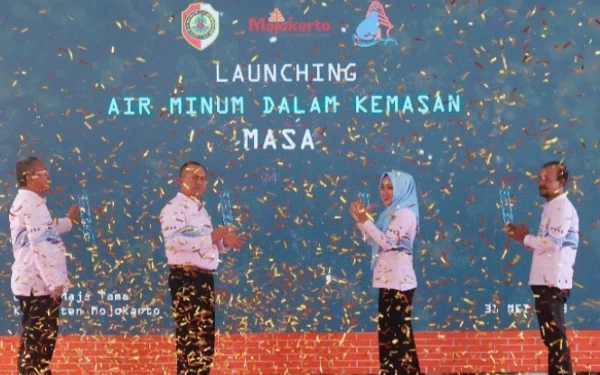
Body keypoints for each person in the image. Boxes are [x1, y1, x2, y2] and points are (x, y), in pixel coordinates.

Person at [159, 161, 246, 375]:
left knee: (204, 342)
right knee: (191, 340)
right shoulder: (173, 209)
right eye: (193, 177)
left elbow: (205, 246)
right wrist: (210, 237)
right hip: (186, 279)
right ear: (180, 181)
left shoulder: (201, 210)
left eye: (202, 178)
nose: (198, 182)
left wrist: (224, 243)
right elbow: (173, 242)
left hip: (204, 279)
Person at [505, 161, 579, 375]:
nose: (542, 182)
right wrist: (528, 238)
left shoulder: (562, 208)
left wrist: (525, 238)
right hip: (545, 281)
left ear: (561, 182)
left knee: (555, 338)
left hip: (553, 282)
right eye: (540, 178)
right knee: (551, 338)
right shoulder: (551, 207)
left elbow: (553, 243)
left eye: (548, 178)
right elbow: (547, 244)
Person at [9, 156, 80, 375]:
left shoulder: (31, 202)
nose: (48, 175)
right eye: (43, 172)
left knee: (39, 342)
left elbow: (45, 230)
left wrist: (68, 221)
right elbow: (40, 247)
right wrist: (54, 283)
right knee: (38, 345)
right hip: (39, 287)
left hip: (34, 285)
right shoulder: (31, 204)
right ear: (29, 178)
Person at [350, 170, 421, 375]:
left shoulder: (405, 213)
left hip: (399, 282)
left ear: (402, 189)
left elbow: (386, 242)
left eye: (390, 187)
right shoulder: (388, 214)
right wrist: (360, 220)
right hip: (387, 280)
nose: (385, 192)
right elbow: (374, 240)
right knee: (388, 336)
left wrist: (365, 220)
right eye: (382, 186)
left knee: (399, 336)